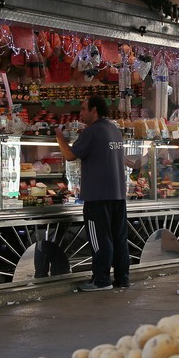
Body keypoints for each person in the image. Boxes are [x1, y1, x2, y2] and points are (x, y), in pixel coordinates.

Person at [55, 96, 130, 291]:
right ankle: (122, 278)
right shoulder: (114, 129)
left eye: (83, 109)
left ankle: (101, 280)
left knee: (100, 239)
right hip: (118, 194)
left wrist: (59, 137)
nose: (80, 113)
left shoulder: (93, 131)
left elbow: (70, 155)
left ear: (94, 110)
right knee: (118, 238)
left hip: (97, 195)